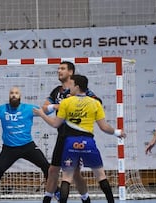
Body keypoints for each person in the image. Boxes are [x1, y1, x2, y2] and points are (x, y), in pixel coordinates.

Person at [34, 74, 126, 203]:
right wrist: (117, 132)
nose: (68, 88)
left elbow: (55, 124)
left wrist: (42, 114)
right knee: (100, 175)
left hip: (70, 143)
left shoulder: (66, 102)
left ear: (76, 86)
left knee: (66, 177)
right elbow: (104, 127)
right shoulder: (94, 103)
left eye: (71, 85)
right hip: (88, 143)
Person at [0, 86, 50, 203]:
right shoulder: (2, 109)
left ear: (20, 96)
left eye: (16, 93)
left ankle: (55, 191)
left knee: (46, 166)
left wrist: (58, 106)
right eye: (11, 93)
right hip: (9, 149)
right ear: (9, 96)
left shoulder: (29, 109)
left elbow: (47, 110)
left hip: (28, 146)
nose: (14, 95)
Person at [41, 61, 100, 203]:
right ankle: (47, 199)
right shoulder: (57, 91)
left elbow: (97, 102)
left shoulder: (81, 91)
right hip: (61, 136)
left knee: (74, 173)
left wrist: (76, 102)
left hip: (76, 138)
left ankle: (85, 199)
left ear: (71, 72)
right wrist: (59, 106)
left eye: (62, 69)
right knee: (52, 170)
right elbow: (44, 108)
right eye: (58, 69)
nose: (59, 71)